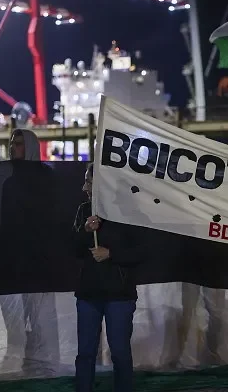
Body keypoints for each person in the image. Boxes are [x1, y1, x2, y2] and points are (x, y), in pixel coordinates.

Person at [74, 164, 145, 392]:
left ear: (102, 183)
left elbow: (142, 252)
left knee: (120, 353)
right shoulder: (84, 210)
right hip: (88, 294)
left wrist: (111, 254)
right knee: (85, 353)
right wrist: (85, 231)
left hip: (119, 295)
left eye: (89, 181)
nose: (84, 186)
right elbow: (72, 250)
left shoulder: (129, 211)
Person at [0, 128, 60, 375]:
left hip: (39, 260)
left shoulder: (46, 178)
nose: (14, 147)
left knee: (42, 317)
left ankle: (46, 366)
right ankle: (24, 365)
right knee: (16, 321)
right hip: (14, 260)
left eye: (20, 143)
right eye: (12, 143)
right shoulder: (9, 182)